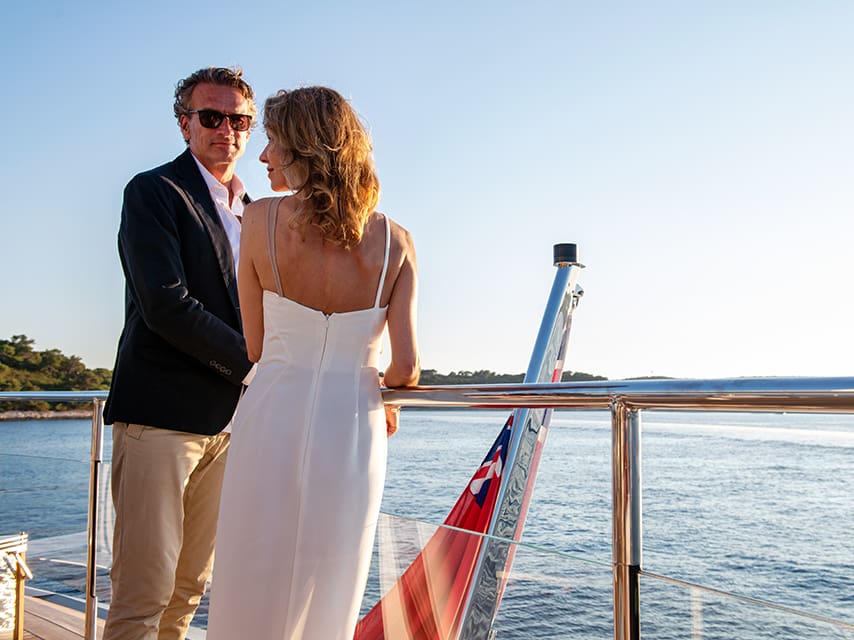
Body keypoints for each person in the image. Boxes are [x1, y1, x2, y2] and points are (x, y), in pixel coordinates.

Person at [205, 86, 420, 640]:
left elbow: (255, 347)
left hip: (272, 411)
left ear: (303, 147)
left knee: (252, 570)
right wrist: (371, 381)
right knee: (332, 576)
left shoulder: (259, 221)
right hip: (352, 424)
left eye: (272, 141)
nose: (262, 155)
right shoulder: (396, 242)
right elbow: (407, 370)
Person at [102, 67, 257, 640]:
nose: (226, 130)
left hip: (230, 424)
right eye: (210, 117)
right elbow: (166, 304)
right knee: (144, 593)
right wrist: (257, 368)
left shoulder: (257, 212)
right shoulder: (153, 191)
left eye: (238, 119)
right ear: (184, 122)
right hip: (160, 420)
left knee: (190, 587)